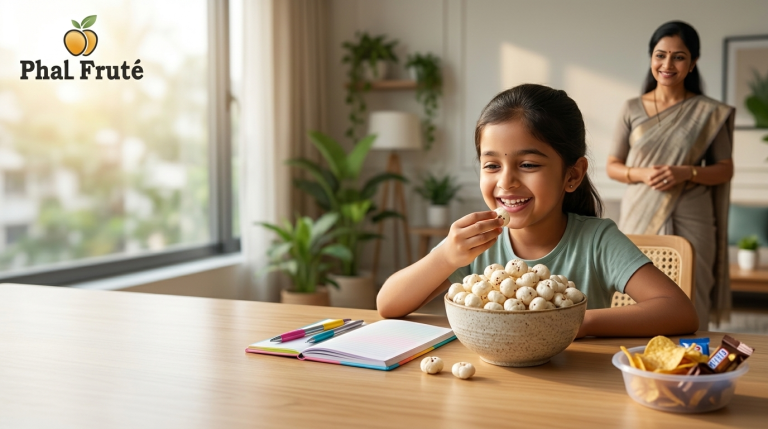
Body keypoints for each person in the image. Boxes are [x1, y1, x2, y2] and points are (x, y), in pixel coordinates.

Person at [377, 83, 698, 338]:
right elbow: (388, 305)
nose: (506, 181)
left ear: (571, 175)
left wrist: (570, 322)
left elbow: (678, 312)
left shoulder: (597, 240)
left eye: (528, 164)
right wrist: (446, 256)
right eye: (491, 165)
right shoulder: (475, 244)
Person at [607, 21, 735, 330]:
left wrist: (686, 171)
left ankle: (691, 360)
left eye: (678, 56)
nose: (667, 64)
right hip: (640, 210)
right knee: (633, 291)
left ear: (693, 63)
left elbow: (725, 168)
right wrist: (641, 173)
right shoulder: (631, 107)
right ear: (651, 58)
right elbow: (613, 165)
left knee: (693, 289)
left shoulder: (708, 112)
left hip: (693, 214)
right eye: (660, 55)